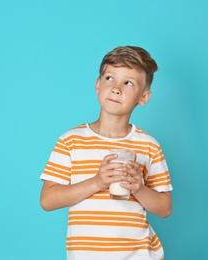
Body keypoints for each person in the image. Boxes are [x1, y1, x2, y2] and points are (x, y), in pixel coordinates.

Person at [40, 46, 173, 260]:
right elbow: (47, 200)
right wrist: (97, 182)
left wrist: (138, 188)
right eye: (110, 78)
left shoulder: (149, 146)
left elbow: (165, 208)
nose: (116, 88)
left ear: (144, 97)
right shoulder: (71, 141)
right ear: (98, 84)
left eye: (128, 83)